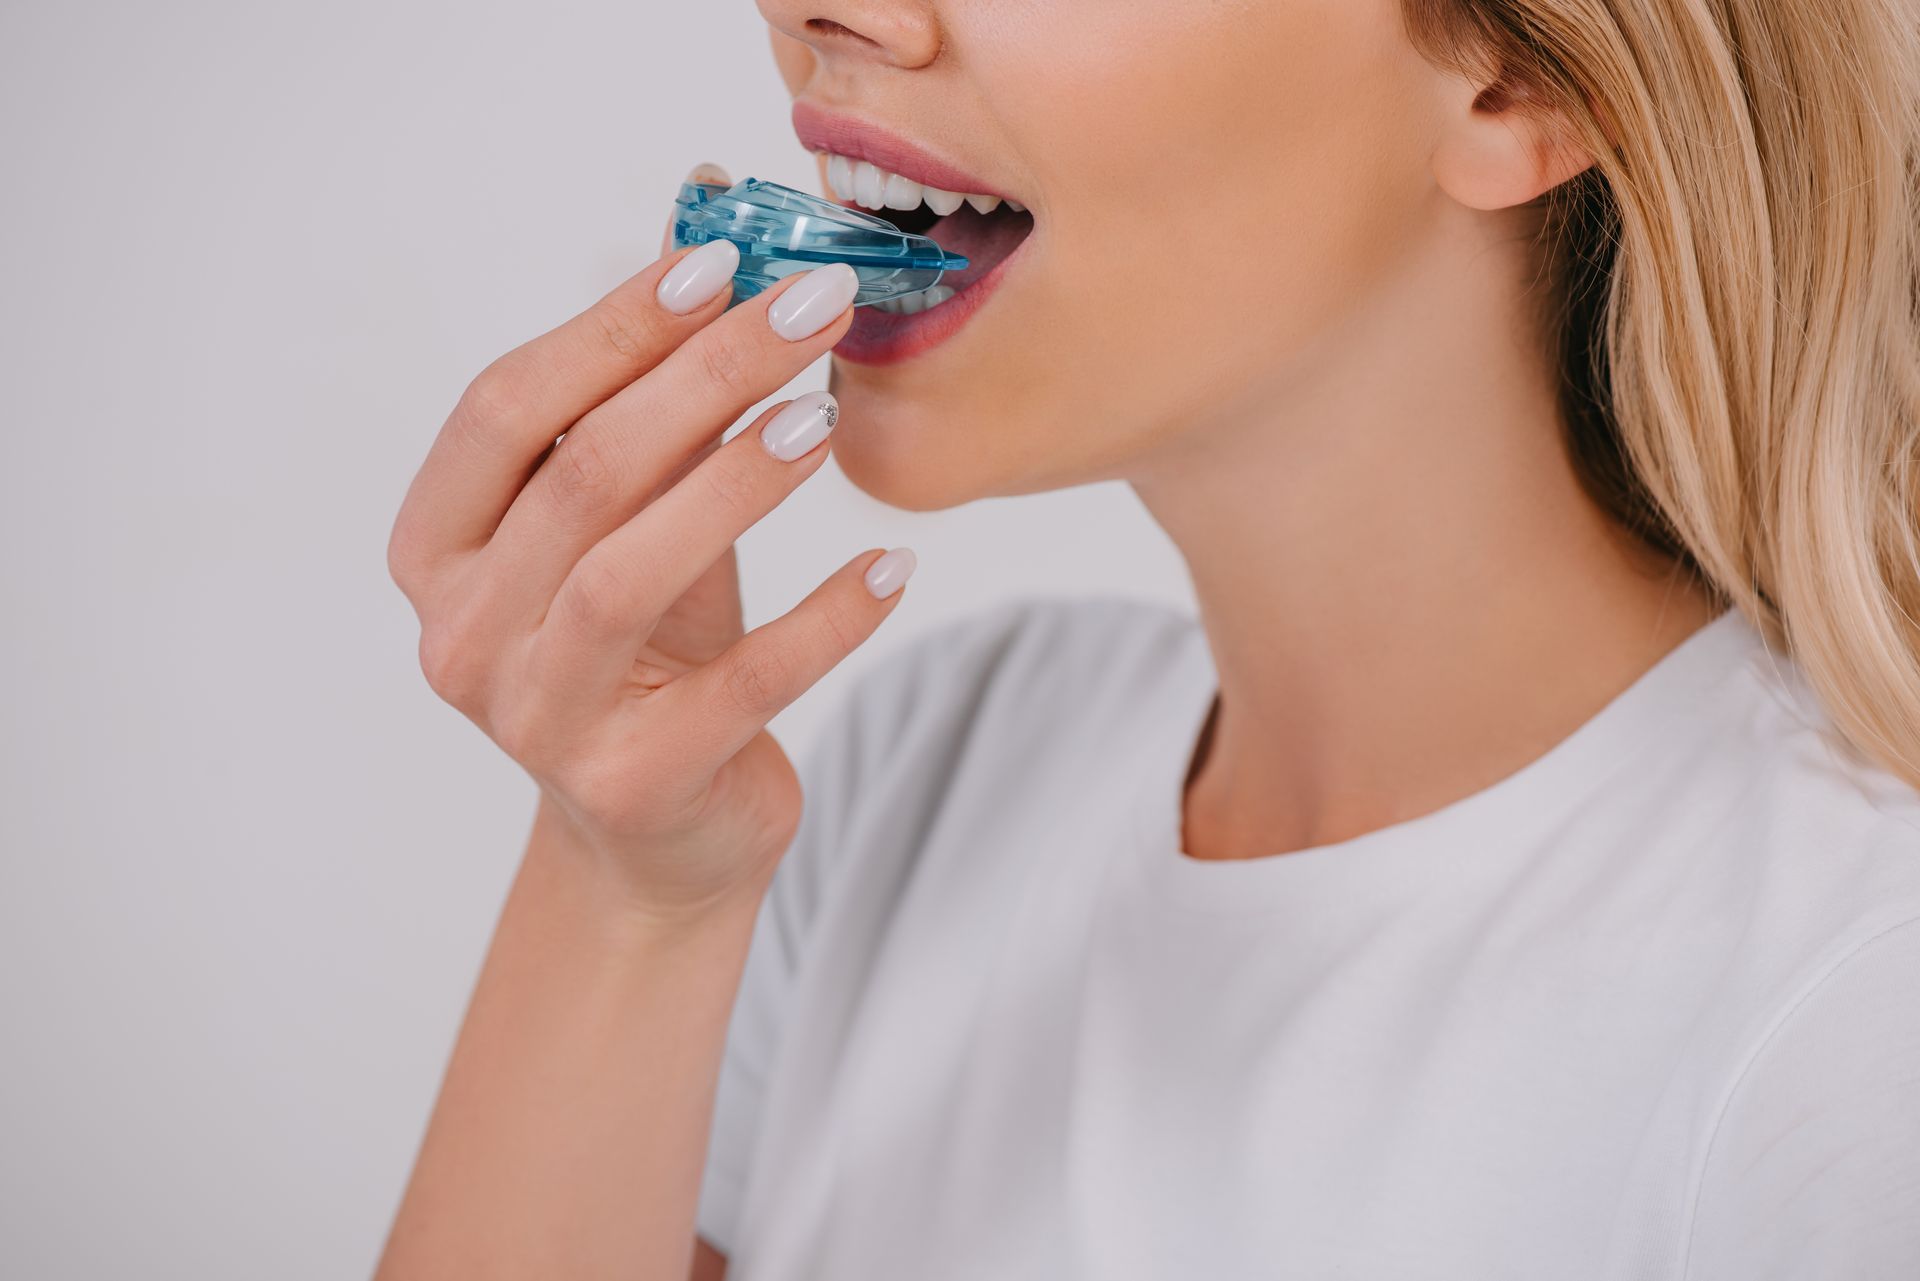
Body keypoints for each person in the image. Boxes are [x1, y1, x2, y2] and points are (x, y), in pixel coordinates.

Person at [374, 1, 1920, 1277]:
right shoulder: (927, 778)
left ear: (1514, 78)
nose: (814, 11)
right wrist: (625, 886)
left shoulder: (1854, 1021)